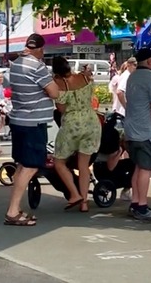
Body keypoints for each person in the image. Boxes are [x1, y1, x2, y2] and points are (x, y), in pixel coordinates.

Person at [4, 34, 60, 226]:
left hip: (19, 120)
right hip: (33, 123)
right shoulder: (37, 66)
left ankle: (15, 208)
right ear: (40, 49)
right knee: (31, 166)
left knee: (22, 165)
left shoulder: (17, 64)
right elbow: (54, 92)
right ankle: (12, 211)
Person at [51, 56, 100, 213]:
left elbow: (61, 109)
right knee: (84, 165)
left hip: (72, 124)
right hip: (91, 122)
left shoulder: (59, 84)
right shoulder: (84, 77)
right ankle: (84, 202)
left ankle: (74, 194)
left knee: (59, 162)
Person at [123, 47, 151, 221]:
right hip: (144, 130)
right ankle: (141, 206)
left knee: (138, 167)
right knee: (146, 168)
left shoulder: (132, 77)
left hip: (131, 128)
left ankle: (135, 203)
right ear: (149, 61)